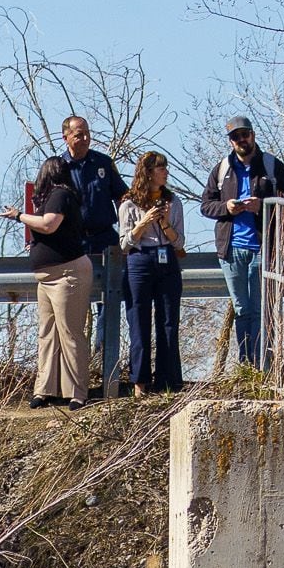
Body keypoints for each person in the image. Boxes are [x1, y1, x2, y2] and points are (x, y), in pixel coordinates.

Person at [198, 117, 284, 369]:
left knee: (262, 309)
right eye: (236, 136)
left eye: (245, 135)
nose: (242, 140)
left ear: (253, 135)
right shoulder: (222, 169)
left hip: (264, 247)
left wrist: (263, 207)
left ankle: (264, 364)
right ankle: (246, 364)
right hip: (230, 250)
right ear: (231, 140)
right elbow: (206, 206)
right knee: (242, 309)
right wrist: (226, 207)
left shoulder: (272, 166)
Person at [5, 156, 92, 407]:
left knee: (70, 332)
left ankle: (77, 392)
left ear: (47, 174)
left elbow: (48, 224)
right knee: (47, 333)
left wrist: (18, 215)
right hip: (46, 278)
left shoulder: (61, 195)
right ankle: (45, 389)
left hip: (67, 274)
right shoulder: (51, 198)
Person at [57, 116, 129, 394]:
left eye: (87, 134)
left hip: (105, 240)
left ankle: (104, 363)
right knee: (72, 306)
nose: (84, 139)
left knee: (109, 303)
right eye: (78, 135)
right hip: (73, 242)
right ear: (66, 137)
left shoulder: (102, 163)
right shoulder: (59, 167)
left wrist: (130, 228)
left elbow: (122, 197)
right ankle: (74, 371)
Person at [117, 151, 185, 396]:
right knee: (139, 320)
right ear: (147, 172)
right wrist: (143, 222)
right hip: (140, 261)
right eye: (160, 168)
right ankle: (139, 382)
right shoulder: (128, 204)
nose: (165, 171)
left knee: (168, 320)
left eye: (166, 167)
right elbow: (124, 244)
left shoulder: (173, 202)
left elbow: (179, 242)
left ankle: (167, 380)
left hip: (166, 259)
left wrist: (165, 223)